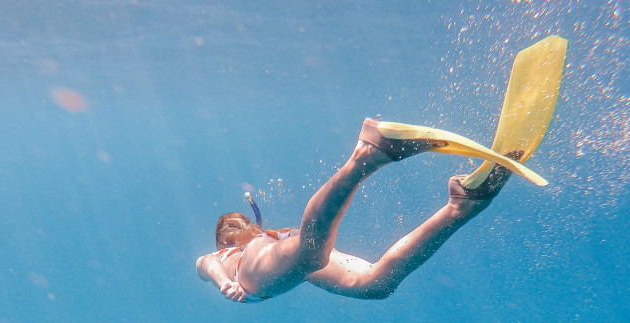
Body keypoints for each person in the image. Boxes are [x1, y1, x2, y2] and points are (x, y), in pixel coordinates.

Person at [195, 117, 519, 303]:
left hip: (258, 268)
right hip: (286, 247)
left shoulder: (228, 257)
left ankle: (365, 156)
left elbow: (205, 264)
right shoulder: (265, 237)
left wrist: (225, 283)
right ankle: (460, 207)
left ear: (223, 240)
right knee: (374, 284)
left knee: (310, 254)